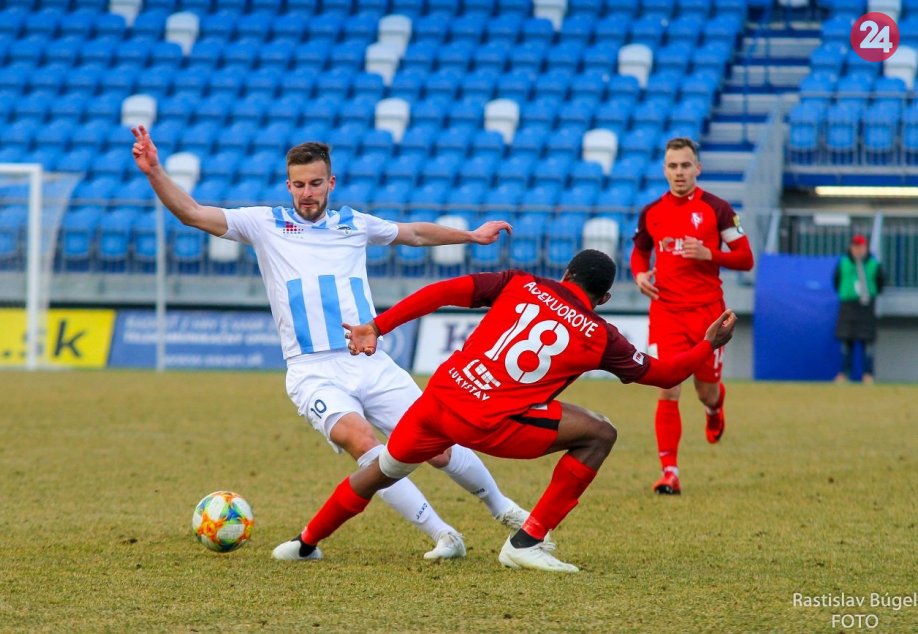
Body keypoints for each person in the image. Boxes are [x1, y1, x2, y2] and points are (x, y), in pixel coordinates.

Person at [130, 126, 531, 560]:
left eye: (315, 183)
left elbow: (414, 233)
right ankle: (443, 535)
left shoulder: (353, 224)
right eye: (299, 184)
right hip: (312, 371)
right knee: (365, 445)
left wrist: (471, 236)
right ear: (288, 186)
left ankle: (503, 508)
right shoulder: (263, 224)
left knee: (438, 446)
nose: (307, 193)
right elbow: (191, 213)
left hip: (369, 361)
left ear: (331, 183)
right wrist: (154, 171)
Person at [271, 250, 738, 573]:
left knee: (382, 470)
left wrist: (377, 325)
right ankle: (526, 542)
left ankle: (305, 542)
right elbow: (662, 373)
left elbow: (443, 291)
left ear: (566, 273)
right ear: (604, 298)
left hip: (437, 403)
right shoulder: (600, 334)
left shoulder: (521, 283)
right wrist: (707, 344)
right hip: (494, 425)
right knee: (600, 433)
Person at [630, 137, 754, 496]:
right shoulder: (651, 212)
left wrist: (709, 253)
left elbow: (745, 258)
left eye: (686, 165)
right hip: (666, 313)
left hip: (707, 316)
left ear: (697, 168)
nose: (679, 172)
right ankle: (669, 472)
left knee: (706, 391)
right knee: (668, 387)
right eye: (673, 166)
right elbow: (639, 253)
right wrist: (639, 275)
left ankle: (715, 410)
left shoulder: (717, 209)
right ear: (664, 170)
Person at [833, 234, 884, 384]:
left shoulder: (874, 264)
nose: (858, 250)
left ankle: (868, 374)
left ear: (866, 248)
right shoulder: (843, 263)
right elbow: (836, 281)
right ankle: (844, 373)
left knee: (867, 343)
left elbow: (880, 283)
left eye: (861, 247)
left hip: (866, 306)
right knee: (846, 343)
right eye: (855, 246)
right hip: (848, 306)